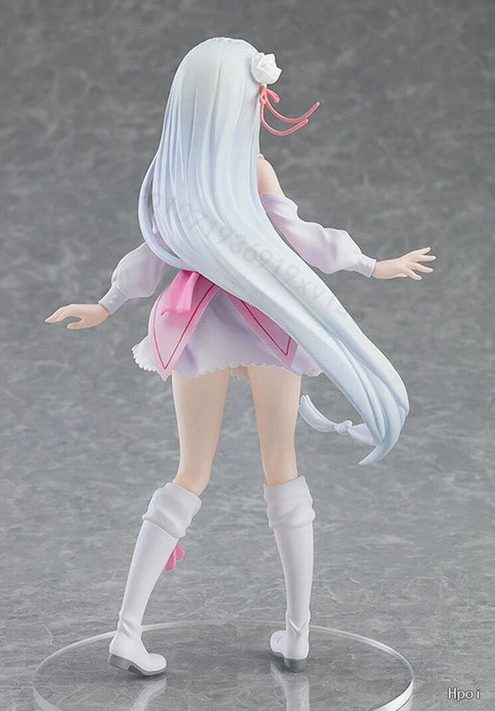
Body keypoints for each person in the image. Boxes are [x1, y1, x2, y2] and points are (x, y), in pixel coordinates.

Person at [45, 37, 435, 676]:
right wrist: (370, 264)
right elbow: (301, 239)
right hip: (263, 322)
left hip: (197, 326)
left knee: (190, 472)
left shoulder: (175, 174)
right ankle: (297, 634)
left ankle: (128, 631)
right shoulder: (250, 170)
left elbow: (153, 255)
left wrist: (108, 304)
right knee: (280, 466)